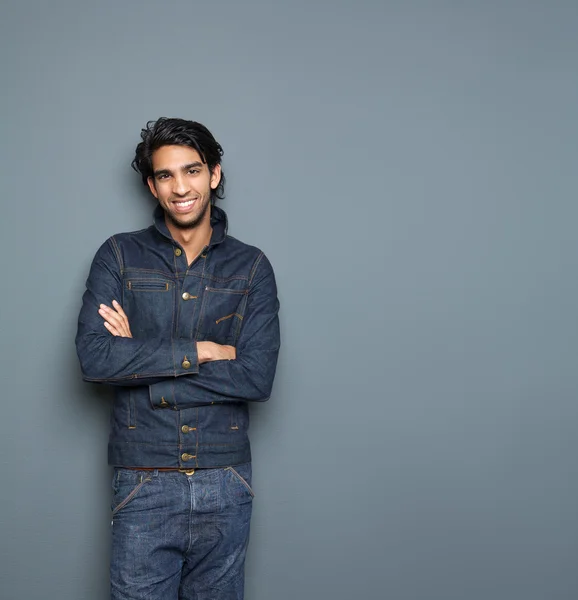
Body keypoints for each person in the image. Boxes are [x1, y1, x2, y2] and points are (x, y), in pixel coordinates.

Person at [75, 117, 281, 600]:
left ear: (214, 174)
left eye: (191, 171)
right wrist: (204, 352)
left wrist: (142, 372)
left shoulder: (252, 267)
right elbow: (95, 359)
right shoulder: (119, 257)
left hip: (225, 481)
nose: (180, 187)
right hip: (143, 479)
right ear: (151, 184)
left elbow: (256, 376)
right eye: (165, 175)